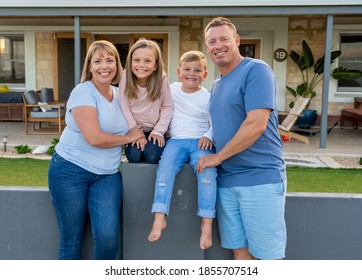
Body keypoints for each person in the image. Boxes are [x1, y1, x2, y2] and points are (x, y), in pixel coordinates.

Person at [197, 17, 287, 260]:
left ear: (236, 40)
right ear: (207, 48)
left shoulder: (256, 70)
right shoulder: (216, 84)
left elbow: (256, 124)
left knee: (268, 258)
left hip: (260, 179)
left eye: (224, 39)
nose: (218, 45)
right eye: (212, 41)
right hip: (227, 181)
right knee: (241, 255)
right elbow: (217, 126)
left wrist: (218, 156)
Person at [48, 40, 144, 260]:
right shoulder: (83, 92)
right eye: (98, 61)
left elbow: (146, 114)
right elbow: (93, 137)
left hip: (107, 175)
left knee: (108, 236)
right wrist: (128, 137)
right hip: (70, 171)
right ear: (89, 66)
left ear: (117, 65)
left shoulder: (121, 94)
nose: (105, 66)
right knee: (72, 239)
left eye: (110, 60)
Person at [148, 50, 217, 250]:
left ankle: (206, 222)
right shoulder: (171, 90)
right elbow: (161, 108)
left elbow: (215, 122)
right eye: (187, 69)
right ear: (179, 72)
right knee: (165, 169)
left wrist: (208, 136)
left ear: (204, 75)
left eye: (197, 70)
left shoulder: (208, 97)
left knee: (208, 172)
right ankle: (160, 216)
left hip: (200, 142)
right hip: (176, 141)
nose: (191, 73)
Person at [118, 38, 173, 164]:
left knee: (152, 156)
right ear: (130, 62)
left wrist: (159, 131)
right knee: (134, 156)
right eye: (136, 60)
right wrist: (136, 133)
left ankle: (165, 142)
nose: (141, 65)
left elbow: (168, 106)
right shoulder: (126, 77)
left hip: (155, 128)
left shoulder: (161, 78)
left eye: (147, 61)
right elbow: (124, 107)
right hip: (135, 128)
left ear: (155, 65)